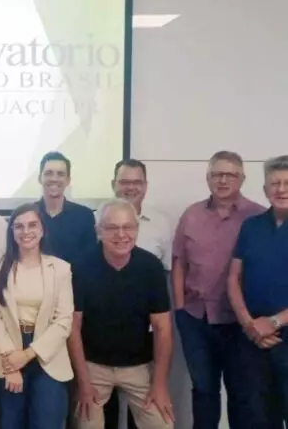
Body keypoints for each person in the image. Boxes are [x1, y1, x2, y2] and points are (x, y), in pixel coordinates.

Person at [172, 151, 264, 428]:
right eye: (216, 174)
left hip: (240, 322)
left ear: (242, 179)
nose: (223, 180)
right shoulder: (191, 215)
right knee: (203, 391)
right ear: (208, 178)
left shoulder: (258, 217)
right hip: (195, 319)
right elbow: (179, 263)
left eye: (230, 175)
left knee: (242, 392)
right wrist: (180, 309)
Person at [68, 199, 174, 429]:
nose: (121, 235)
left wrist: (160, 385)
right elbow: (73, 328)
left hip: (139, 367)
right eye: (112, 227)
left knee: (162, 424)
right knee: (86, 426)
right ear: (99, 231)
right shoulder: (81, 267)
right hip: (93, 367)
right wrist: (83, 384)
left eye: (128, 227)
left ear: (137, 230)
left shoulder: (151, 267)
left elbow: (163, 328)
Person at [0, 203, 73, 429]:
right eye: (19, 226)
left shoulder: (61, 269)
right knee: (11, 423)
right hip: (8, 354)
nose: (26, 232)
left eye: (32, 225)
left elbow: (63, 320)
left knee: (47, 422)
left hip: (47, 353)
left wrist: (28, 354)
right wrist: (12, 363)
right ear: (12, 232)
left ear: (43, 229)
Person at [107, 159, 175, 429]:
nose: (130, 188)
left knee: (144, 405)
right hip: (101, 333)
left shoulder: (161, 224)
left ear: (145, 186)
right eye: (124, 182)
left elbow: (166, 273)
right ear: (113, 185)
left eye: (137, 182)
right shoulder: (95, 220)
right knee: (107, 409)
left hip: (145, 333)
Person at [227, 155, 288, 426]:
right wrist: (249, 325)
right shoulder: (251, 226)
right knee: (258, 417)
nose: (281, 189)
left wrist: (273, 322)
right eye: (275, 183)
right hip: (253, 339)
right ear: (265, 189)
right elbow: (233, 278)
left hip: (282, 333)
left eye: (287, 183)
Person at [35, 152, 96, 266]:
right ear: (40, 178)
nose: (54, 179)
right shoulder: (28, 216)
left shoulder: (84, 216)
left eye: (60, 174)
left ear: (68, 180)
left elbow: (90, 261)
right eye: (49, 173)